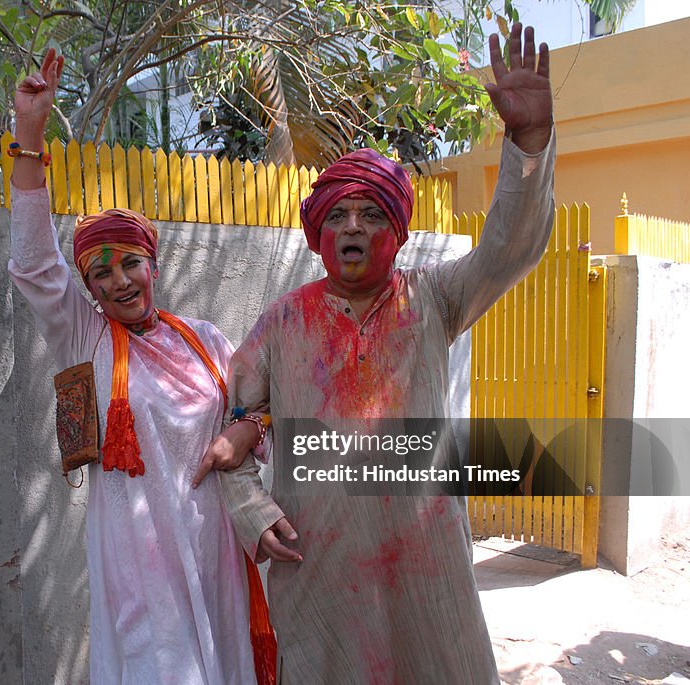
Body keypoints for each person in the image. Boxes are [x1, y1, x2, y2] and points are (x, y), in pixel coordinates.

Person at [218, 23, 555, 683]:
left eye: (372, 214)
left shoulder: (436, 299)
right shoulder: (282, 324)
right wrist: (250, 511)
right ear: (318, 234)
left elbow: (509, 250)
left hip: (425, 571)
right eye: (339, 214)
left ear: (396, 233)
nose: (353, 226)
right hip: (321, 572)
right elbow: (229, 433)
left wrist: (529, 145)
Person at [7, 51, 274, 684]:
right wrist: (29, 141)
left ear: (152, 266)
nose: (119, 281)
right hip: (138, 562)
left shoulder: (206, 339)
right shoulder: (86, 338)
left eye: (129, 263)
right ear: (89, 289)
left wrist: (247, 430)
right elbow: (33, 264)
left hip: (213, 547)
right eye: (100, 272)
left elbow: (259, 406)